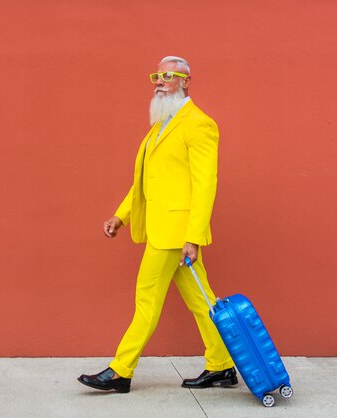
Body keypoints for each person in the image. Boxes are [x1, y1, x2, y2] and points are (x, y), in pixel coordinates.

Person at [78, 56, 237, 393]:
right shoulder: (160, 125)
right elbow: (145, 183)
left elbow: (205, 185)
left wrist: (193, 237)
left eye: (169, 75)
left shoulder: (199, 124)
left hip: (175, 235)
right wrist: (121, 215)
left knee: (147, 299)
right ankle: (221, 364)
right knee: (201, 301)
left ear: (187, 80)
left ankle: (121, 370)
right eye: (157, 75)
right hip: (165, 230)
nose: (160, 81)